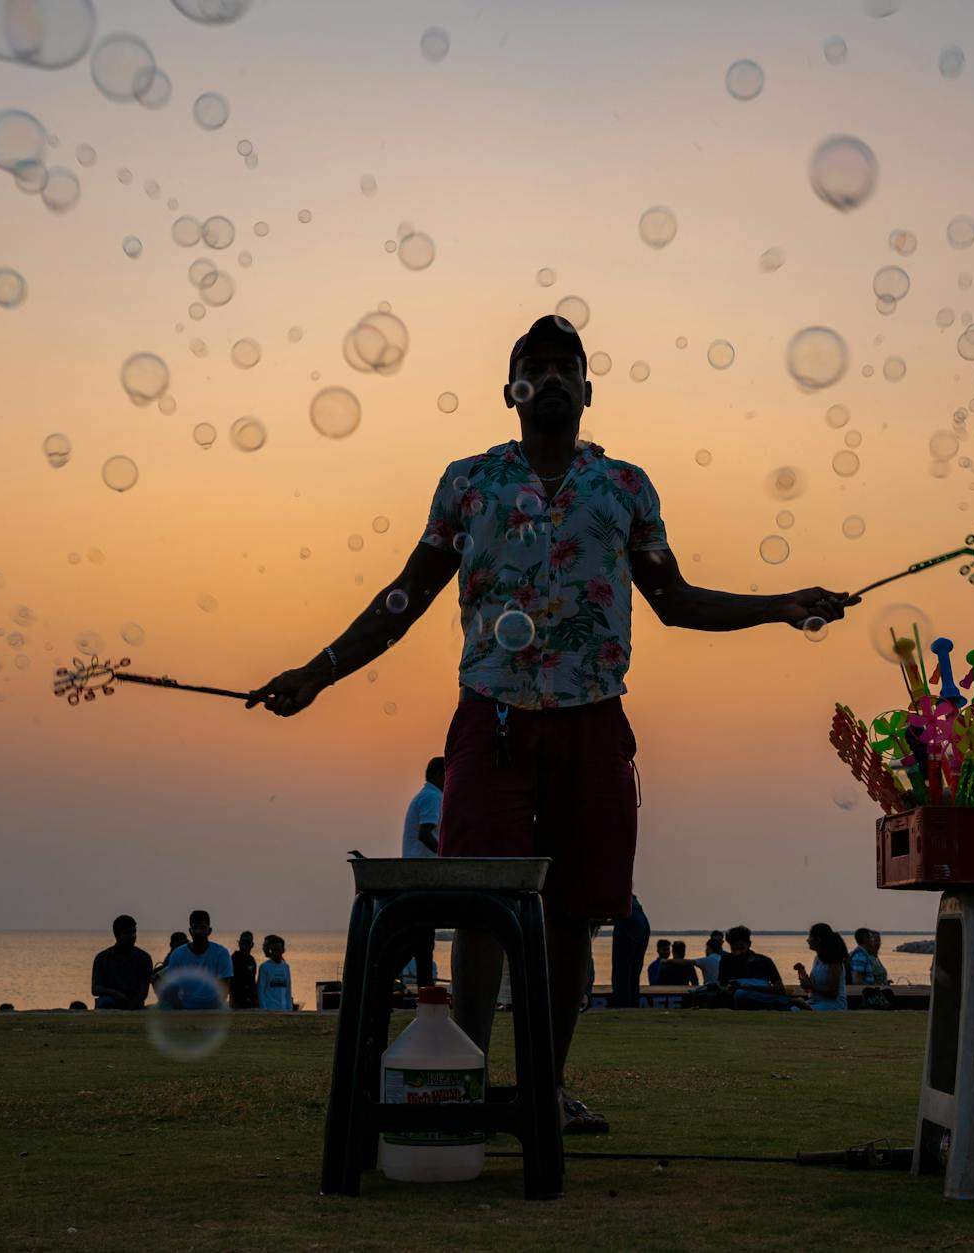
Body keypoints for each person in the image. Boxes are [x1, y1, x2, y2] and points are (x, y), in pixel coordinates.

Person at [247, 314, 858, 1134]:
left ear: (587, 388)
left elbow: (674, 601)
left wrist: (781, 605)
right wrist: (317, 673)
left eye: (567, 366)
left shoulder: (625, 487)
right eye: (536, 367)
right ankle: (461, 1084)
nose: (553, 377)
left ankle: (546, 1086)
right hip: (491, 719)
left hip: (593, 722)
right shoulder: (469, 482)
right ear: (511, 391)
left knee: (577, 911)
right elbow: (405, 597)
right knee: (478, 904)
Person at [401, 757, 447, 986]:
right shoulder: (432, 797)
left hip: (419, 873)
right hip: (422, 873)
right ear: (440, 774)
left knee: (422, 938)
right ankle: (425, 987)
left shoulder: (428, 796)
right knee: (422, 938)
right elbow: (425, 833)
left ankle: (425, 987)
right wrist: (445, 856)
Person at [158, 910, 232, 1010]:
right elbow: (172, 987)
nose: (199, 932)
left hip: (215, 1006)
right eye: (195, 928)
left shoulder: (221, 953)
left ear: (209, 931)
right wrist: (181, 1009)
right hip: (184, 1006)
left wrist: (213, 1009)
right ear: (190, 931)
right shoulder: (178, 954)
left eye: (202, 928)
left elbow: (224, 987)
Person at [90, 914, 154, 1011]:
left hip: (134, 1002)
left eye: (134, 932)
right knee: (105, 1002)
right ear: (117, 935)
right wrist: (114, 993)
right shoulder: (102, 958)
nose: (133, 936)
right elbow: (95, 989)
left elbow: (143, 992)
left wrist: (131, 1005)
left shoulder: (144, 958)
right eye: (128, 933)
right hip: (109, 1001)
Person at [795, 924, 851, 1011]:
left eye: (810, 937)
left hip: (833, 1005)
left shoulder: (834, 962)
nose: (807, 940)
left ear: (818, 940)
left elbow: (833, 993)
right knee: (792, 1008)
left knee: (796, 1010)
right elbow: (810, 989)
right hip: (816, 1002)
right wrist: (802, 972)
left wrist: (811, 986)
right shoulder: (817, 959)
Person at [608, 895, 650, 1010]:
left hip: (628, 918)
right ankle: (631, 1007)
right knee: (633, 973)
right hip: (641, 920)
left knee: (622, 973)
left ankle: (623, 1007)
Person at [718, 925, 785, 989]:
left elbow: (780, 988)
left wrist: (752, 988)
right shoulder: (726, 961)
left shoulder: (764, 962)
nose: (738, 953)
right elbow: (722, 985)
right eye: (734, 949)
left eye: (741, 948)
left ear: (749, 944)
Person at [257, 934, 294, 1011]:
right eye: (273, 950)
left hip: (284, 1009)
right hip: (270, 1009)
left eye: (278, 950)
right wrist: (264, 1010)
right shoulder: (264, 967)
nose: (275, 953)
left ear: (283, 950)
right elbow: (261, 991)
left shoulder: (286, 967)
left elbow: (288, 990)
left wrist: (289, 1009)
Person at [230, 930, 259, 1009]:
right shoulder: (234, 958)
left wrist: (256, 1000)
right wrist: (232, 1002)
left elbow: (253, 981)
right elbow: (230, 983)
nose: (245, 945)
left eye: (247, 942)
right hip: (237, 1001)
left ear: (252, 945)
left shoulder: (252, 960)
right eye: (243, 942)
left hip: (251, 1001)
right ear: (239, 943)